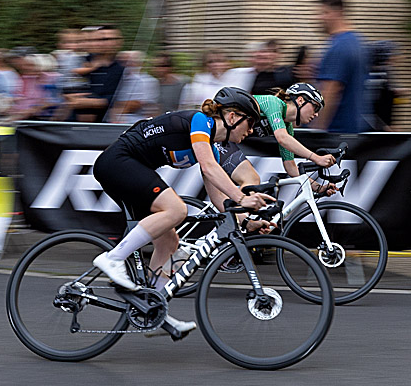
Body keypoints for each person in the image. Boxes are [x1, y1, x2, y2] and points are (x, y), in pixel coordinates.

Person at [91, 87, 274, 338]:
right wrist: (242, 196)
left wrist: (247, 222)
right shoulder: (201, 121)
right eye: (250, 123)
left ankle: (154, 311)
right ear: (232, 117)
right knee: (177, 209)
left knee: (169, 242)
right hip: (117, 162)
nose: (251, 130)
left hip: (133, 169)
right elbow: (208, 168)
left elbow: (218, 199)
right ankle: (113, 258)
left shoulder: (213, 146)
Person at [211, 83, 339, 214]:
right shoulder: (273, 103)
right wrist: (316, 158)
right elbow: (281, 137)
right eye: (315, 107)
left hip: (224, 142)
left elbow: (290, 167)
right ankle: (239, 222)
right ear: (300, 100)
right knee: (251, 179)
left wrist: (318, 187)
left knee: (243, 190)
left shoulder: (287, 128)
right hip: (219, 137)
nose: (316, 114)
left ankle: (237, 222)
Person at [312, 0, 369, 133]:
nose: (319, 18)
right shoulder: (358, 42)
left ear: (338, 13)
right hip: (354, 130)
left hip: (336, 132)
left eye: (325, 13)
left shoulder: (339, 47)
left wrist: (317, 131)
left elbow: (330, 91)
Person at [63, 25, 125, 122]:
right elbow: (65, 83)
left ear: (119, 42)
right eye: (99, 39)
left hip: (104, 124)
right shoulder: (81, 61)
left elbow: (122, 100)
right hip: (71, 122)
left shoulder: (122, 69)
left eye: (109, 39)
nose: (105, 43)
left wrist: (92, 102)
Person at [108, 50, 160, 124]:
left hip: (137, 123)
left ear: (140, 63)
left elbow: (134, 105)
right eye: (122, 62)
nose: (126, 65)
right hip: (113, 122)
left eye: (130, 61)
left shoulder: (147, 81)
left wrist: (111, 105)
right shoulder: (116, 79)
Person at [364, 41, 406, 132]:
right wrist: (383, 126)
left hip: (383, 127)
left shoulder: (385, 73)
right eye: (393, 54)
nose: (397, 58)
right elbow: (370, 106)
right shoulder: (375, 75)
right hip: (375, 129)